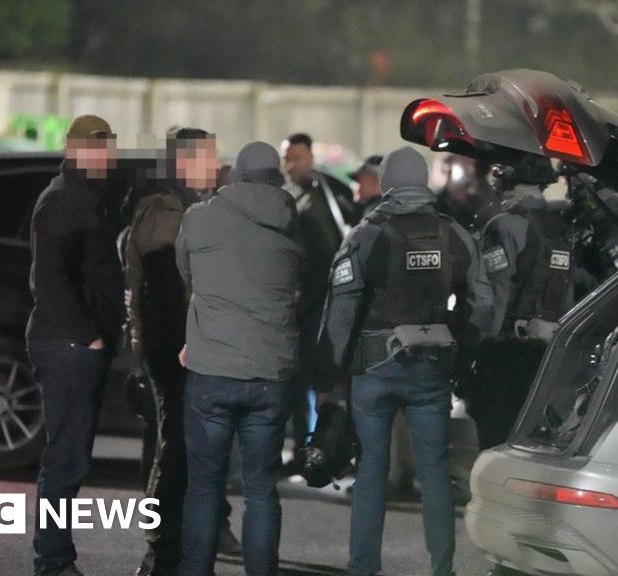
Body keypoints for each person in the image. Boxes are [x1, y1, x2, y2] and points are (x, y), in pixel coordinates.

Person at [315, 146, 494, 576]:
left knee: (372, 470)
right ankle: (441, 570)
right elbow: (483, 303)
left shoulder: (367, 233)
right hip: (431, 365)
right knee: (433, 471)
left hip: (373, 369)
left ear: (390, 182)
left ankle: (363, 568)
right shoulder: (452, 233)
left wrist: (329, 372)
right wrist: (461, 346)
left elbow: (340, 309)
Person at [176, 141, 305, 576]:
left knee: (204, 488)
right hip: (269, 375)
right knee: (261, 491)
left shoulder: (200, 217)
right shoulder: (292, 224)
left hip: (211, 369)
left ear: (236, 174)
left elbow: (186, 271)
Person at [125, 128, 239, 576]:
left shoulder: (182, 206)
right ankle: (160, 552)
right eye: (207, 157)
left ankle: (176, 550)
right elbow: (164, 294)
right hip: (176, 349)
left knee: (180, 449)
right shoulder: (167, 212)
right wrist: (184, 346)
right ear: (184, 161)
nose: (214, 166)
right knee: (174, 450)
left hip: (181, 346)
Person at [26, 115, 123, 576]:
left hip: (77, 343)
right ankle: (53, 562)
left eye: (109, 147)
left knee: (70, 458)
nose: (106, 155)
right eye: (98, 147)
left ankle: (56, 559)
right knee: (65, 460)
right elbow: (49, 280)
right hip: (67, 345)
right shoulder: (65, 199)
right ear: (75, 148)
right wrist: (89, 334)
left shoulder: (87, 196)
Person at [467, 158, 574, 450]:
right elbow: (568, 292)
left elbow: (493, 294)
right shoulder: (560, 227)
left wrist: (477, 346)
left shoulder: (504, 225)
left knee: (496, 437)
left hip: (506, 352)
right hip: (548, 351)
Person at [281, 132, 357, 472]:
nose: (289, 165)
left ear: (310, 158)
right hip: (301, 304)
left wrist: (307, 302)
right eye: (286, 158)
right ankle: (304, 446)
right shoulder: (292, 197)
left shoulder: (321, 197)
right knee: (299, 381)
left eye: (295, 158)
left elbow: (324, 257)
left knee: (314, 379)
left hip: (314, 305)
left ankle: (316, 447)